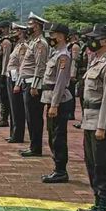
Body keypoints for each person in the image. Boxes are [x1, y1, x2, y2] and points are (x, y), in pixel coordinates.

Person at [75, 23, 106, 211]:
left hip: (101, 123)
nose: (90, 41)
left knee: (102, 165)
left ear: (104, 41)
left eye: (94, 38)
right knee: (92, 164)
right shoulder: (97, 61)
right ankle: (97, 203)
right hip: (90, 120)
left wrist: (102, 126)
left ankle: (105, 207)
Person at [41, 23, 72, 183]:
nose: (50, 38)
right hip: (50, 97)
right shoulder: (56, 53)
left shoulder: (63, 56)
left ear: (60, 36)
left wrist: (55, 104)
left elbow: (60, 82)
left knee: (58, 136)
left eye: (53, 35)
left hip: (58, 99)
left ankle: (61, 170)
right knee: (52, 134)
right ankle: (57, 167)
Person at [15, 12, 49, 157]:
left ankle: (36, 147)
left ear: (38, 26)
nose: (28, 27)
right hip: (26, 82)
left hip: (33, 85)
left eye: (31, 25)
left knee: (34, 117)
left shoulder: (41, 44)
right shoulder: (33, 42)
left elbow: (40, 66)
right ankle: (33, 145)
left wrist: (35, 85)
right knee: (30, 117)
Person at [6, 23, 29, 143]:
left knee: (17, 109)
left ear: (21, 33)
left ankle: (17, 134)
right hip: (11, 77)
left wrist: (18, 83)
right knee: (12, 108)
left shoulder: (24, 46)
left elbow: (22, 66)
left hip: (16, 79)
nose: (13, 34)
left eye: (15, 32)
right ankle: (13, 133)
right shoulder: (17, 45)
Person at [73, 27, 94, 129]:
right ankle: (84, 119)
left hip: (88, 76)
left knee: (88, 100)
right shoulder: (84, 46)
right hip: (82, 76)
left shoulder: (92, 47)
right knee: (82, 99)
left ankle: (87, 120)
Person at [0, 21, 12, 128]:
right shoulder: (2, 40)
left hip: (2, 70)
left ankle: (4, 118)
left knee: (3, 95)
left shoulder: (6, 42)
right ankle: (2, 117)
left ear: (4, 28)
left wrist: (4, 73)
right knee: (1, 94)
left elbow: (6, 58)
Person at [67, 29, 80, 120]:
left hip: (71, 73)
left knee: (71, 93)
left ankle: (71, 113)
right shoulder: (69, 45)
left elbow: (74, 61)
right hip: (66, 72)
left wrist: (72, 74)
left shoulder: (75, 46)